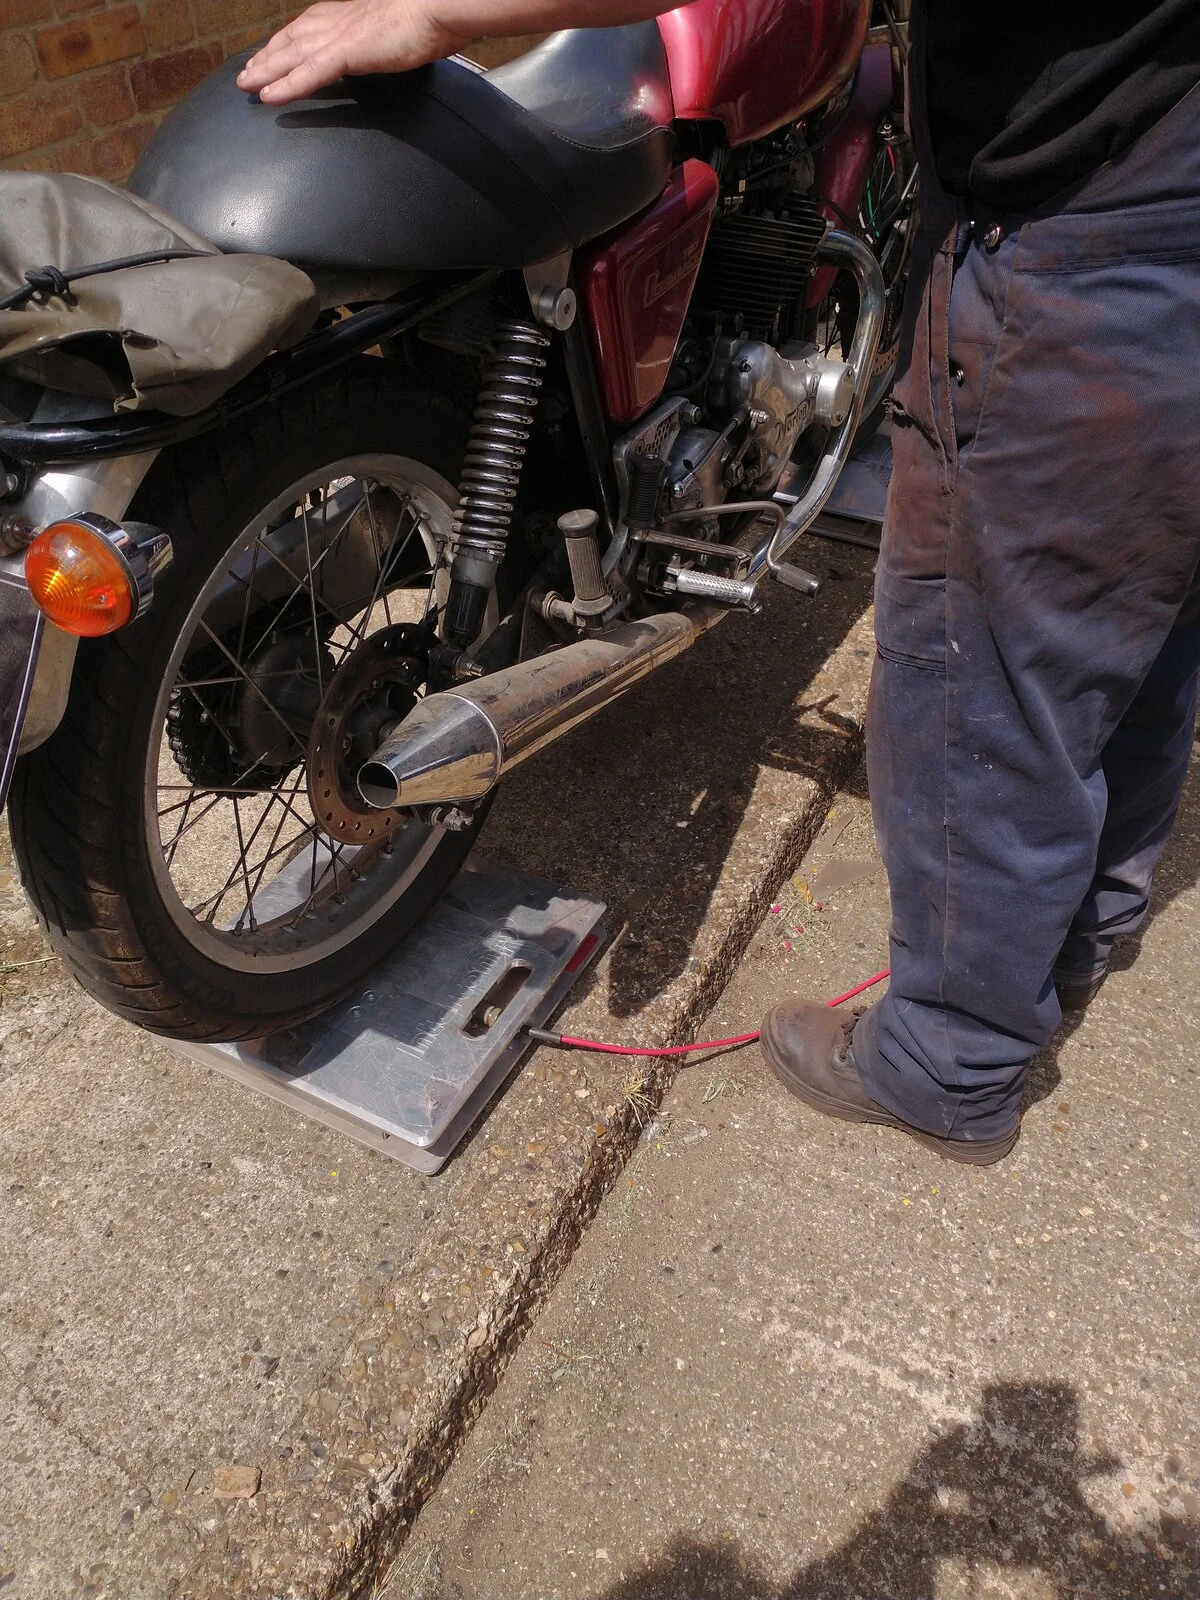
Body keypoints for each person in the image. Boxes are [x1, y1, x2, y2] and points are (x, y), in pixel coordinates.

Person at [240, 3, 1200, 1166]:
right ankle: (1085, 925)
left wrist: (432, 11)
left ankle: (951, 1059)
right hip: (1165, 178)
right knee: (1136, 605)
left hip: (1084, 243)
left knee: (984, 673)